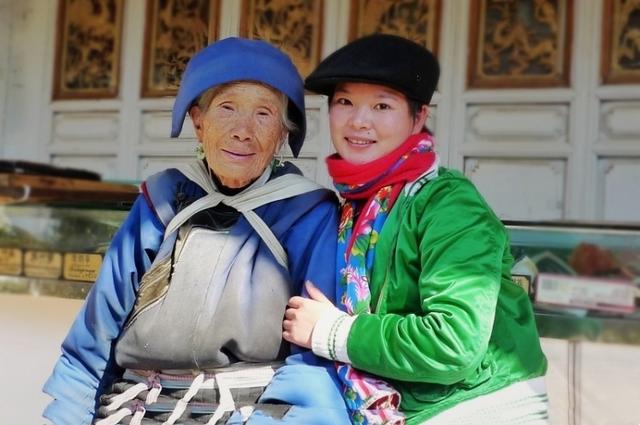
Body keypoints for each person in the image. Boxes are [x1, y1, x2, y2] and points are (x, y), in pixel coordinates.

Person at [43, 37, 350, 425]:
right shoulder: (162, 201)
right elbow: (94, 338)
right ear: (197, 120)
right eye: (227, 108)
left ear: (282, 133)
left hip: (244, 415)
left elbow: (311, 362)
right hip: (135, 410)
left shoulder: (306, 212)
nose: (243, 130)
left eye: (263, 113)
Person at [282, 33, 549, 425]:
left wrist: (332, 331)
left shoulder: (448, 204)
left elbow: (453, 344)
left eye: (382, 105)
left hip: (479, 406)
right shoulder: (357, 205)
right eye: (345, 102)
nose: (359, 121)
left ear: (418, 117)